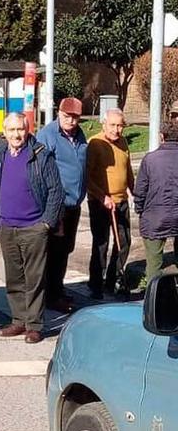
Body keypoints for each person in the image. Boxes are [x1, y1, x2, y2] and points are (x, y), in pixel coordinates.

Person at [0, 113, 63, 344]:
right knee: (14, 278)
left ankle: (34, 325)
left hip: (34, 227)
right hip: (6, 226)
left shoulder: (41, 155)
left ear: (27, 129)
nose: (16, 135)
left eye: (20, 130)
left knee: (34, 278)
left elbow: (55, 191)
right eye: (11, 130)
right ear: (4, 132)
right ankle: (18, 320)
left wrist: (46, 223)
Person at [36, 97, 88, 313]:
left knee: (65, 250)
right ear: (59, 113)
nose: (71, 120)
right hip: (55, 205)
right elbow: (38, 170)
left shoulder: (80, 135)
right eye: (67, 116)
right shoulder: (48, 135)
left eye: (75, 117)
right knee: (54, 252)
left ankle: (57, 288)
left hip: (73, 206)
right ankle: (50, 296)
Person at [86, 108, 133, 299]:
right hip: (100, 202)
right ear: (104, 124)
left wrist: (134, 190)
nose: (116, 129)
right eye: (113, 125)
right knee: (101, 243)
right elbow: (87, 177)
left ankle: (113, 279)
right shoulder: (95, 143)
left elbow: (127, 169)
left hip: (121, 200)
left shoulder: (122, 142)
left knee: (124, 242)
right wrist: (102, 196)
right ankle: (95, 284)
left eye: (120, 125)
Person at [134, 122, 178, 283]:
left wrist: (139, 209)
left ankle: (153, 298)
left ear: (162, 137)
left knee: (154, 263)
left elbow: (141, 190)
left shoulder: (151, 159)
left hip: (155, 216)